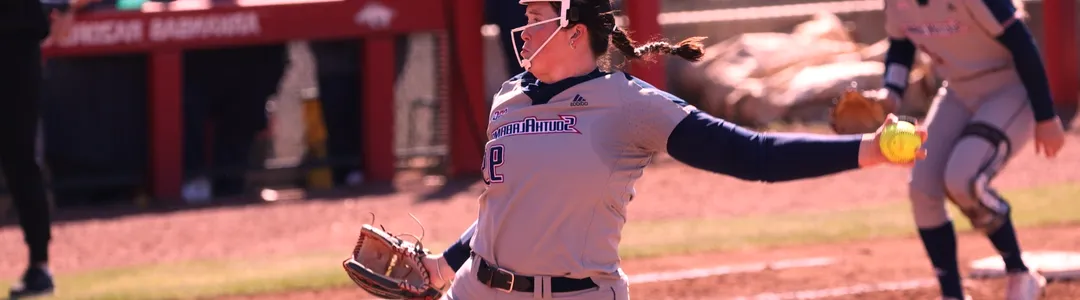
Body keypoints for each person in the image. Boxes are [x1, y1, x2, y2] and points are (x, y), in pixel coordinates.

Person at [407, 0, 927, 299]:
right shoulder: (509, 96)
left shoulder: (631, 104)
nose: (522, 30)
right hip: (476, 290)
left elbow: (753, 154)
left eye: (537, 15)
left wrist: (869, 150)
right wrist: (444, 265)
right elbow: (511, 202)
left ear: (574, 31)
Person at [875, 0, 1067, 298]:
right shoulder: (896, 3)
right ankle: (952, 293)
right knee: (923, 189)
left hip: (1008, 86)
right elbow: (900, 45)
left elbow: (1022, 44)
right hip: (957, 91)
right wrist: (890, 93)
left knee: (962, 178)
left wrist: (1046, 115)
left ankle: (1020, 272)